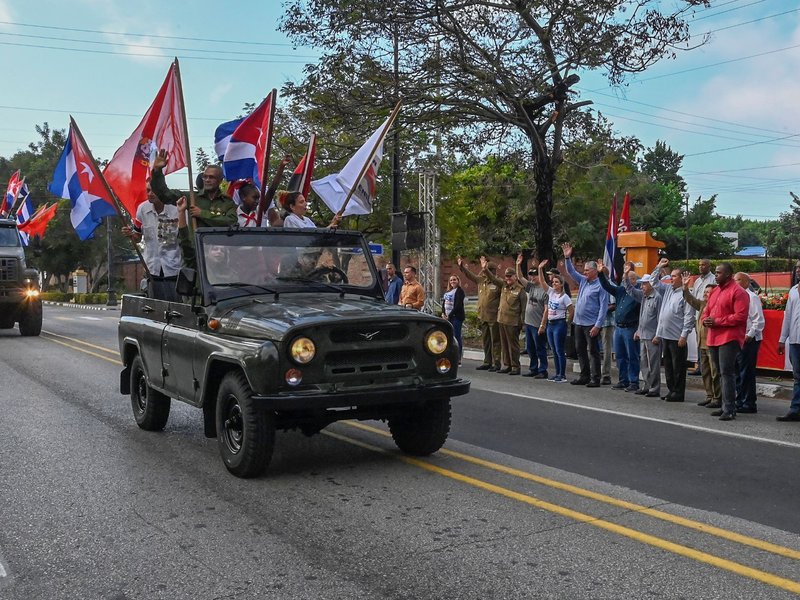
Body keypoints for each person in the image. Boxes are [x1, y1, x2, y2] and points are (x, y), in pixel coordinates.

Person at [702, 262, 750, 421]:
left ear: (728, 275)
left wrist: (717, 321)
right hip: (713, 337)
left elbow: (740, 316)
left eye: (719, 273)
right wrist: (705, 320)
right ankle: (724, 405)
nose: (716, 275)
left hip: (729, 337)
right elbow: (706, 311)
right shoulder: (715, 291)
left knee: (727, 373)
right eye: (715, 272)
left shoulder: (739, 292)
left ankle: (729, 409)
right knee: (720, 373)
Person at [121, 181, 182, 301]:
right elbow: (137, 237)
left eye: (153, 190)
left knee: (175, 307)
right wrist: (130, 234)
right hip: (152, 269)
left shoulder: (176, 209)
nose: (150, 193)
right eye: (148, 190)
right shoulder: (142, 209)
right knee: (155, 308)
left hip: (173, 268)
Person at [150, 150, 237, 227]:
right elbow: (165, 195)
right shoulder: (191, 197)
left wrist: (202, 214)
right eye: (205, 177)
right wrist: (157, 171)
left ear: (220, 180)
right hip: (197, 245)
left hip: (219, 244)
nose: (207, 180)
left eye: (211, 177)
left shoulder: (227, 202)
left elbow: (231, 222)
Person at [562, 242, 608, 388]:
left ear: (595, 271)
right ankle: (584, 375)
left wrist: (598, 325)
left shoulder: (601, 285)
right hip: (579, 322)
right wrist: (567, 258)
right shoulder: (583, 281)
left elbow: (603, 307)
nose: (585, 272)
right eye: (585, 270)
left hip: (591, 324)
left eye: (588, 270)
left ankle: (595, 377)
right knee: (580, 350)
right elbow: (571, 272)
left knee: (593, 351)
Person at [650, 258, 695, 403]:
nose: (671, 278)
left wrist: (684, 335)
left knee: (678, 367)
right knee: (668, 366)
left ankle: (678, 392)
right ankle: (671, 390)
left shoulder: (685, 293)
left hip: (677, 337)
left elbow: (689, 316)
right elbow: (653, 282)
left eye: (674, 276)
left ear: (682, 278)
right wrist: (659, 266)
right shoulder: (668, 289)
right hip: (665, 335)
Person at [597, 259, 641, 392]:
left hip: (630, 327)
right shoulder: (621, 290)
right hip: (619, 327)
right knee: (620, 356)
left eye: (627, 278)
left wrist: (638, 329)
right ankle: (623, 380)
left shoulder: (637, 294)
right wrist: (600, 274)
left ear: (634, 280)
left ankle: (634, 381)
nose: (624, 281)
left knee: (632, 355)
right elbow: (607, 287)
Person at [682, 275, 721, 409]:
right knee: (705, 372)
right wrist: (686, 288)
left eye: (708, 292)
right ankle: (709, 396)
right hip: (702, 344)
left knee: (715, 372)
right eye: (704, 292)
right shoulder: (703, 304)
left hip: (712, 344)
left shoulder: (717, 306)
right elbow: (690, 300)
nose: (705, 294)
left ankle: (717, 397)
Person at [458, 255, 502, 371]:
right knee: (486, 340)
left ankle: (496, 363)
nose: (482, 272)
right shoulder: (481, 281)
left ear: (492, 271)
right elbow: (470, 275)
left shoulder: (498, 282)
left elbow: (493, 279)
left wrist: (485, 269)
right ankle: (487, 361)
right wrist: (462, 267)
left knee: (495, 341)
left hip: (493, 317)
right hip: (483, 315)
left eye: (486, 270)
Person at [732, 272, 765, 413]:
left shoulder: (752, 297)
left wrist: (749, 334)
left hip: (749, 340)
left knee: (746, 372)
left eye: (738, 280)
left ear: (746, 282)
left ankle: (749, 403)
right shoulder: (736, 296)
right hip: (736, 338)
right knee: (737, 371)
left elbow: (759, 320)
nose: (735, 282)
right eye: (734, 280)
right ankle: (739, 400)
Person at [485, 264, 527, 375]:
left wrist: (523, 324)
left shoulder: (520, 290)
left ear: (515, 277)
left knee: (513, 345)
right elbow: (493, 279)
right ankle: (507, 364)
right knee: (504, 344)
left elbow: (523, 309)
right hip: (501, 320)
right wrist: (485, 269)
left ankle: (515, 366)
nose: (507, 278)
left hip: (513, 322)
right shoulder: (503, 286)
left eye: (510, 276)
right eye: (506, 276)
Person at [627, 273, 663, 397]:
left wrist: (658, 335)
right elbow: (630, 290)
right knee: (644, 362)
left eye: (644, 284)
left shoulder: (657, 297)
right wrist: (638, 330)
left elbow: (660, 318)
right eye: (642, 284)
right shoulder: (644, 297)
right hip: (643, 334)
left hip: (652, 336)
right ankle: (647, 385)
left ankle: (655, 388)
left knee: (653, 363)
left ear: (651, 284)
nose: (642, 286)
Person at [538, 259, 573, 382]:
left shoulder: (565, 297)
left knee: (559, 349)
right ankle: (557, 373)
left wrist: (567, 323)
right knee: (553, 349)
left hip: (559, 323)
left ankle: (562, 374)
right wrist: (540, 269)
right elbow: (542, 282)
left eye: (556, 282)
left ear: (561, 284)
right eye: (553, 282)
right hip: (551, 324)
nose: (554, 284)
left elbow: (571, 311)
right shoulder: (551, 293)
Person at [516, 255, 548, 379]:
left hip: (537, 324)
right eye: (531, 275)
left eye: (534, 275)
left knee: (540, 348)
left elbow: (546, 309)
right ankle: (533, 368)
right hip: (529, 323)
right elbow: (519, 277)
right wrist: (518, 264)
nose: (532, 277)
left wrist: (543, 324)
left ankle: (543, 369)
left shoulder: (544, 290)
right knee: (530, 348)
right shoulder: (531, 286)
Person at [777, 260, 800, 422]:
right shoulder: (793, 291)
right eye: (797, 267)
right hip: (795, 340)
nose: (798, 270)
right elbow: (788, 317)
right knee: (798, 376)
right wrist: (782, 339)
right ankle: (795, 409)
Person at [688, 259, 715, 375]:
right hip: (698, 315)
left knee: (707, 342)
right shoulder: (697, 281)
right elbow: (693, 298)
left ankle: (708, 366)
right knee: (698, 341)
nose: (701, 267)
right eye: (699, 265)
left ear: (709, 266)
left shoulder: (713, 279)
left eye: (703, 265)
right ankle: (699, 365)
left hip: (708, 314)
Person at [442, 274, 466, 365]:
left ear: (458, 281)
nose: (452, 281)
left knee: (456, 337)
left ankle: (458, 358)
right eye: (451, 280)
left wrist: (450, 315)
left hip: (456, 317)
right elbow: (444, 304)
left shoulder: (460, 291)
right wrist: (443, 313)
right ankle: (450, 357)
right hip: (447, 317)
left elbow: (458, 305)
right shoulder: (448, 291)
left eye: (454, 280)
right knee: (448, 337)